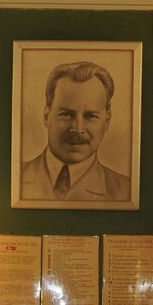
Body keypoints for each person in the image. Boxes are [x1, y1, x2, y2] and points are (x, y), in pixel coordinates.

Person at [19, 61, 131, 203]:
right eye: (66, 114)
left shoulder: (125, 191)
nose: (78, 129)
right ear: (46, 116)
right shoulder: (15, 179)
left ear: (107, 121)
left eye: (90, 116)